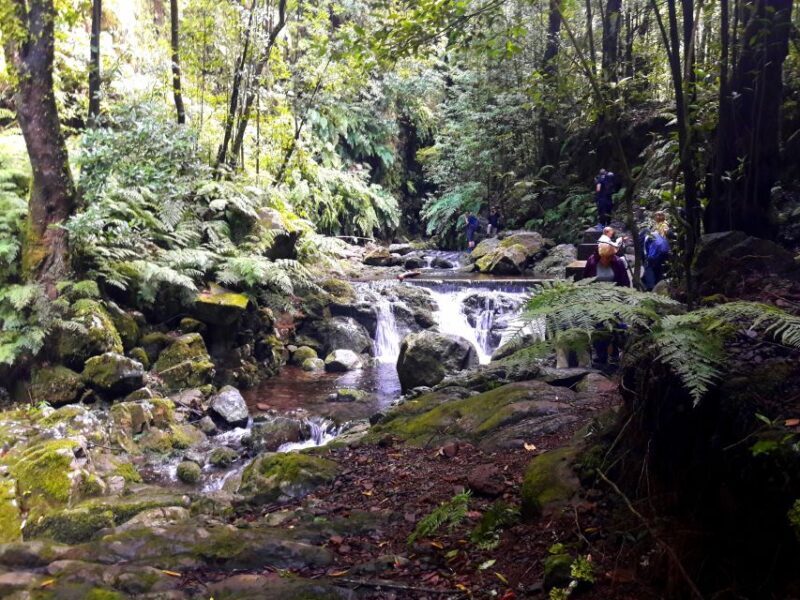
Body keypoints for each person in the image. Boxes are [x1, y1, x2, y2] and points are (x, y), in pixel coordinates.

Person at [584, 240, 630, 367]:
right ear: (601, 255)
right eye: (607, 256)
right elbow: (585, 280)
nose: (610, 258)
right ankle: (601, 355)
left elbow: (624, 282)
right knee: (599, 328)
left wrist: (624, 298)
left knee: (614, 327)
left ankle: (614, 354)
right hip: (596, 301)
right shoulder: (592, 262)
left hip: (614, 300)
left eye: (611, 256)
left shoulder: (617, 262)